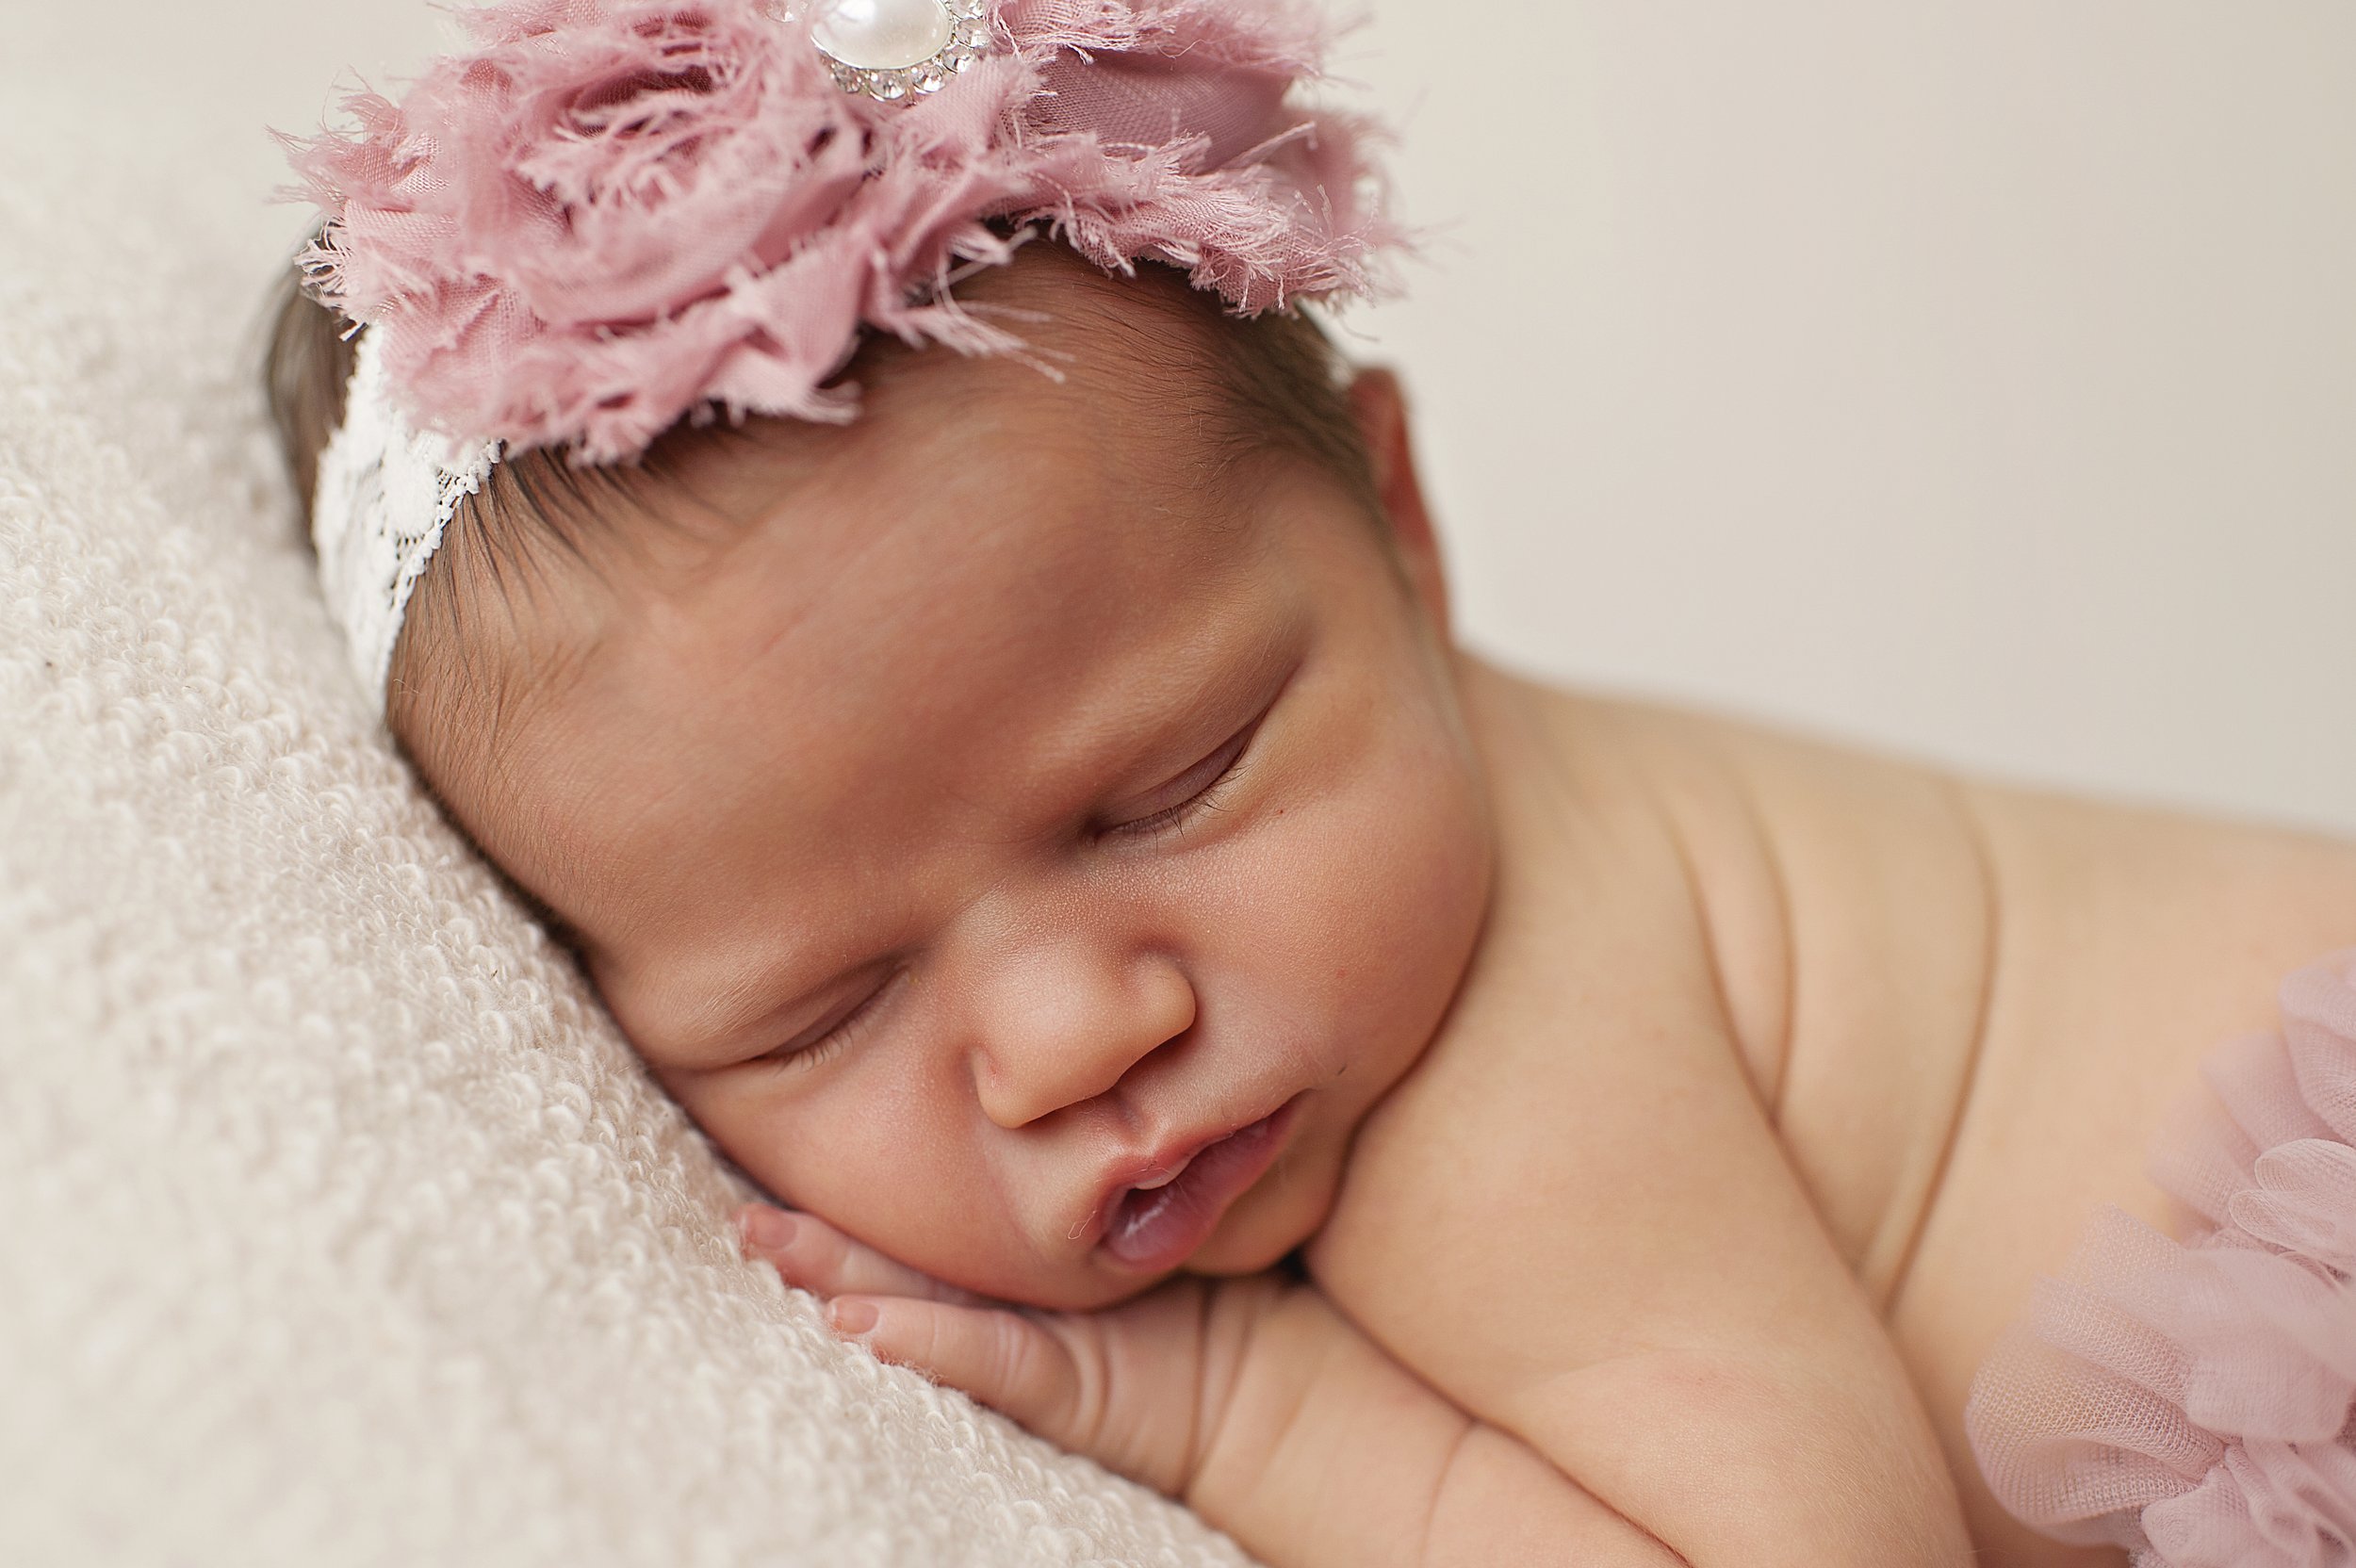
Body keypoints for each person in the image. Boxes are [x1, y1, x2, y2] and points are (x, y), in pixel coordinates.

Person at [270, 3, 2356, 1563]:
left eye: (1169, 785)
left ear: (1400, 534)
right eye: (825, 1004)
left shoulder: (1491, 1095)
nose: (1076, 1032)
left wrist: (1239, 1409)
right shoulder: (1360, 941)